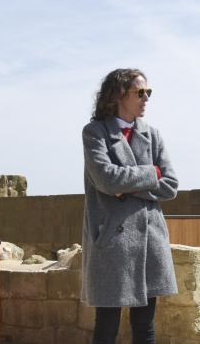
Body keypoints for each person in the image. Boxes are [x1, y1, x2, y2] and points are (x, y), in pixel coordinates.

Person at [80, 68, 178, 344]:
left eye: (149, 92)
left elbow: (170, 185)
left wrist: (127, 187)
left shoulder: (153, 134)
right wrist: (151, 174)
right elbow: (106, 179)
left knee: (145, 325)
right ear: (119, 94)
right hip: (112, 238)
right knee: (106, 324)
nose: (146, 98)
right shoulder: (95, 132)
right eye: (140, 92)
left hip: (150, 238)